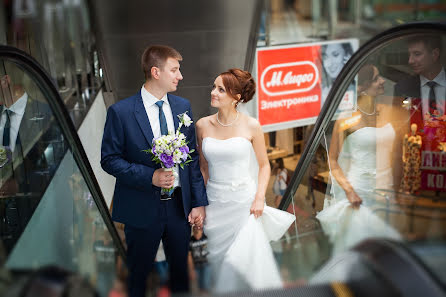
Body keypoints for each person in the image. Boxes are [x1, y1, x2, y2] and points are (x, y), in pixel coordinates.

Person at [101, 45, 208, 297]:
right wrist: (150, 176)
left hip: (179, 209)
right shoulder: (121, 112)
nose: (180, 76)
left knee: (181, 274)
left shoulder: (183, 106)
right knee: (138, 276)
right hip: (140, 209)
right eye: (175, 70)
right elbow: (109, 160)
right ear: (155, 72)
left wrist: (198, 203)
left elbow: (191, 159)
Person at [196, 68, 295, 293]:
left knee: (244, 261)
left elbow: (264, 165)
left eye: (220, 89)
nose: (213, 92)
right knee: (218, 263)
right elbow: (203, 169)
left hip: (244, 204)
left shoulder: (252, 125)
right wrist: (199, 204)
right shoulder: (202, 125)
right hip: (215, 203)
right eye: (214, 87)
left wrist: (260, 198)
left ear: (237, 97)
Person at [317, 64, 401, 255]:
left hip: (387, 190)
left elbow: (396, 155)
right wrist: (349, 191)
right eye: (376, 78)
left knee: (386, 248)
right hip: (359, 192)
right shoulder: (346, 119)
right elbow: (333, 160)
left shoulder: (389, 112)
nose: (383, 81)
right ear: (362, 86)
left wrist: (398, 188)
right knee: (359, 248)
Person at [394, 35, 445, 152]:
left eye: (417, 54)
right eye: (409, 55)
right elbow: (398, 130)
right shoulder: (402, 89)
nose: (410, 61)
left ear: (434, 55)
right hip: (415, 158)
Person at [188, 227, 210, 294]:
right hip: (196, 266)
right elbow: (189, 256)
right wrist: (191, 270)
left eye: (197, 232)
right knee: (196, 286)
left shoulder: (206, 237)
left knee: (206, 285)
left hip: (206, 264)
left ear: (201, 230)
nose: (196, 234)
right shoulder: (190, 240)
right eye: (194, 231)